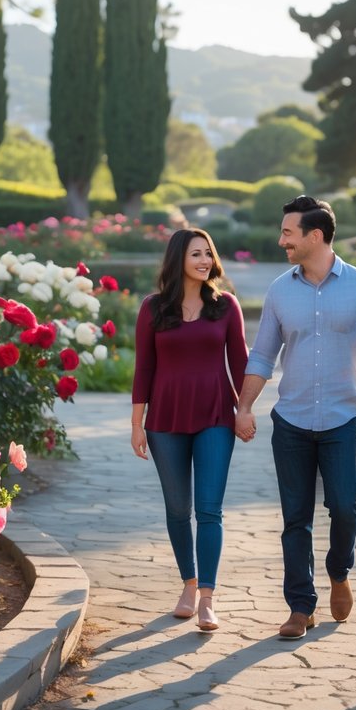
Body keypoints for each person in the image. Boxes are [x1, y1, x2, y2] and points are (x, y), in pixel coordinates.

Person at [235, 195, 356, 640]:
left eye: (288, 232)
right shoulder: (279, 290)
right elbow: (263, 355)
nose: (281, 240)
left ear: (315, 236)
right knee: (295, 518)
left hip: (343, 420)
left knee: (345, 507)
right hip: (291, 422)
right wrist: (244, 406)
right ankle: (300, 606)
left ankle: (339, 572)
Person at [131, 227, 249, 632]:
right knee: (178, 510)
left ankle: (207, 599)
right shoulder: (153, 309)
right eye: (196, 254)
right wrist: (137, 424)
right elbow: (144, 367)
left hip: (216, 415)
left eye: (208, 254)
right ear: (178, 259)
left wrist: (245, 409)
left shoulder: (226, 307)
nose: (204, 261)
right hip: (164, 420)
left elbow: (241, 362)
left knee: (209, 510)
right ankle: (188, 582)